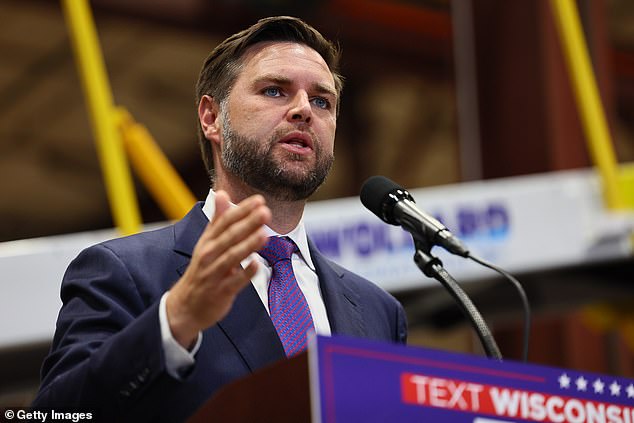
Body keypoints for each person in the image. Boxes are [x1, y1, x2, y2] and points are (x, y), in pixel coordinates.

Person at [33, 16, 407, 422]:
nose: (303, 110)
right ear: (211, 118)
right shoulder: (122, 271)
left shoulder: (379, 312)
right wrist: (175, 320)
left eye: (322, 101)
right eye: (274, 90)